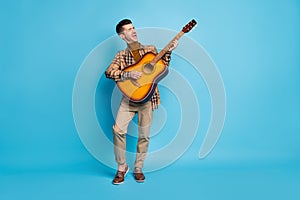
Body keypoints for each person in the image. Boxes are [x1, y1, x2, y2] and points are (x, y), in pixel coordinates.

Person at [105, 19, 178, 184]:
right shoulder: (121, 55)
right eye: (129, 29)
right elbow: (109, 72)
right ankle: (122, 167)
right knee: (118, 130)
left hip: (147, 99)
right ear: (122, 36)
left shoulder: (150, 49)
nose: (133, 31)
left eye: (134, 28)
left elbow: (162, 67)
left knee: (144, 136)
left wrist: (169, 52)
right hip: (129, 98)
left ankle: (138, 168)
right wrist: (127, 74)